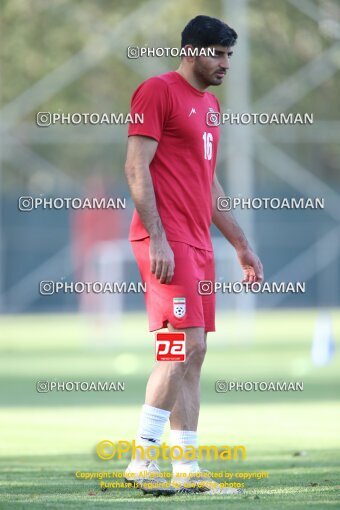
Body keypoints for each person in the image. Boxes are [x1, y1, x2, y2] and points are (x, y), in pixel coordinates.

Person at [124, 14, 263, 496]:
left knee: (195, 351)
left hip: (198, 244)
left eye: (229, 55)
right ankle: (142, 460)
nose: (225, 63)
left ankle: (186, 469)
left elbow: (210, 182)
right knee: (176, 346)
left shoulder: (211, 105)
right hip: (168, 241)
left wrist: (240, 243)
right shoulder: (157, 91)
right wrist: (157, 236)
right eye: (217, 53)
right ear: (190, 50)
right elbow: (135, 165)